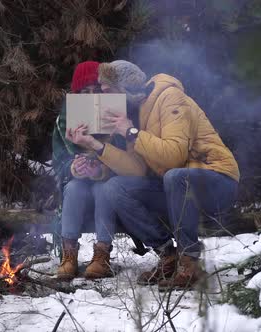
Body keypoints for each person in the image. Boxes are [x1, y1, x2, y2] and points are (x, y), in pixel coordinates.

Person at [97, 60, 241, 290]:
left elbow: (174, 156)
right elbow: (137, 170)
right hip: (177, 190)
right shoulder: (133, 113)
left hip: (216, 180)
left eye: (109, 92)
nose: (105, 100)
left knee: (175, 176)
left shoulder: (170, 97)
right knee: (115, 188)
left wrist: (130, 132)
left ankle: (189, 263)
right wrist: (97, 147)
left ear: (126, 88)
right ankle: (168, 255)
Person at [51, 61, 146, 280]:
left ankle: (102, 255)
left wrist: (100, 171)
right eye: (86, 92)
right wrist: (74, 168)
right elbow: (60, 163)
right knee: (75, 189)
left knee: (103, 189)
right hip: (77, 192)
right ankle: (69, 255)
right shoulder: (64, 120)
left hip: (109, 190)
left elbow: (128, 163)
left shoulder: (120, 118)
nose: (92, 96)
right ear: (77, 94)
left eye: (97, 90)